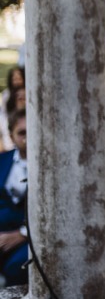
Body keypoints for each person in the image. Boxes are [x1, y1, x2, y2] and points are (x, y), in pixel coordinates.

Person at [0, 109, 28, 286]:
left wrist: (22, 235)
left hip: (29, 238)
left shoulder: (50, 164)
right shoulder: (3, 160)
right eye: (22, 133)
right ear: (11, 135)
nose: (27, 138)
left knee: (16, 267)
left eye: (31, 132)